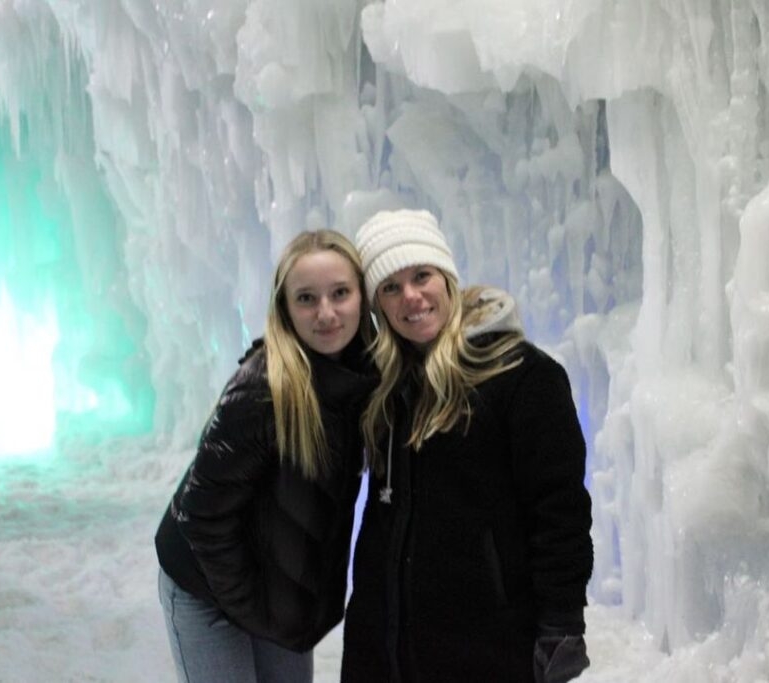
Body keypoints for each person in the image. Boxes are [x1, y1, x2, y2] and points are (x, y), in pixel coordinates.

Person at [341, 209, 593, 683]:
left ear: (447, 278)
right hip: (384, 643)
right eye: (390, 288)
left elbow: (560, 510)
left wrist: (561, 624)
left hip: (488, 647)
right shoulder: (385, 385)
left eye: (421, 276)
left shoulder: (523, 376)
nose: (411, 297)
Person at [155, 229, 377, 683]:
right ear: (285, 308)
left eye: (340, 293)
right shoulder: (264, 390)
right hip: (205, 588)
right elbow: (203, 518)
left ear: (362, 297)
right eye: (306, 298)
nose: (327, 313)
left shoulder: (365, 378)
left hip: (272, 594)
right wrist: (253, 608)